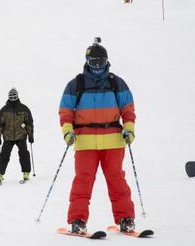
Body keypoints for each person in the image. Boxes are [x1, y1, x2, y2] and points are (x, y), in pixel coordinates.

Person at [58, 38, 136, 234]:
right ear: (87, 62)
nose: (97, 66)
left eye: (101, 62)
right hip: (85, 142)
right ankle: (77, 220)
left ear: (107, 61)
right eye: (93, 62)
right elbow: (65, 111)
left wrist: (129, 129)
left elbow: (128, 109)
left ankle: (126, 218)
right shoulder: (76, 84)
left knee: (117, 179)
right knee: (83, 181)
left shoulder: (116, 82)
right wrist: (68, 132)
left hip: (113, 140)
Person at [0, 88, 34, 185]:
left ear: (17, 96)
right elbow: (0, 124)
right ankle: (0, 174)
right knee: (4, 154)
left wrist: (30, 135)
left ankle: (26, 172)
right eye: (11, 97)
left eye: (14, 97)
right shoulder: (4, 110)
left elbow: (28, 123)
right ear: (8, 97)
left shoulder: (24, 109)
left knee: (24, 154)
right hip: (8, 137)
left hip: (21, 136)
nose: (12, 98)